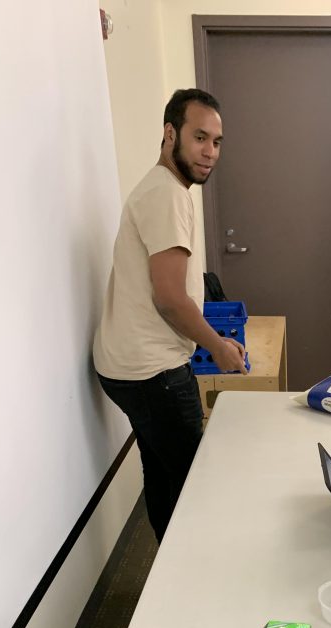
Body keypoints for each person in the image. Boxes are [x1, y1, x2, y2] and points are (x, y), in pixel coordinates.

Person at [93, 88, 246, 543]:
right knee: (195, 488)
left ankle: (165, 574)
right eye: (200, 137)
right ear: (169, 133)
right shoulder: (168, 195)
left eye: (217, 142)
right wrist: (217, 346)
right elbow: (170, 298)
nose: (210, 152)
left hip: (125, 366)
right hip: (152, 371)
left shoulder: (160, 188)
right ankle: (194, 585)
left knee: (164, 478)